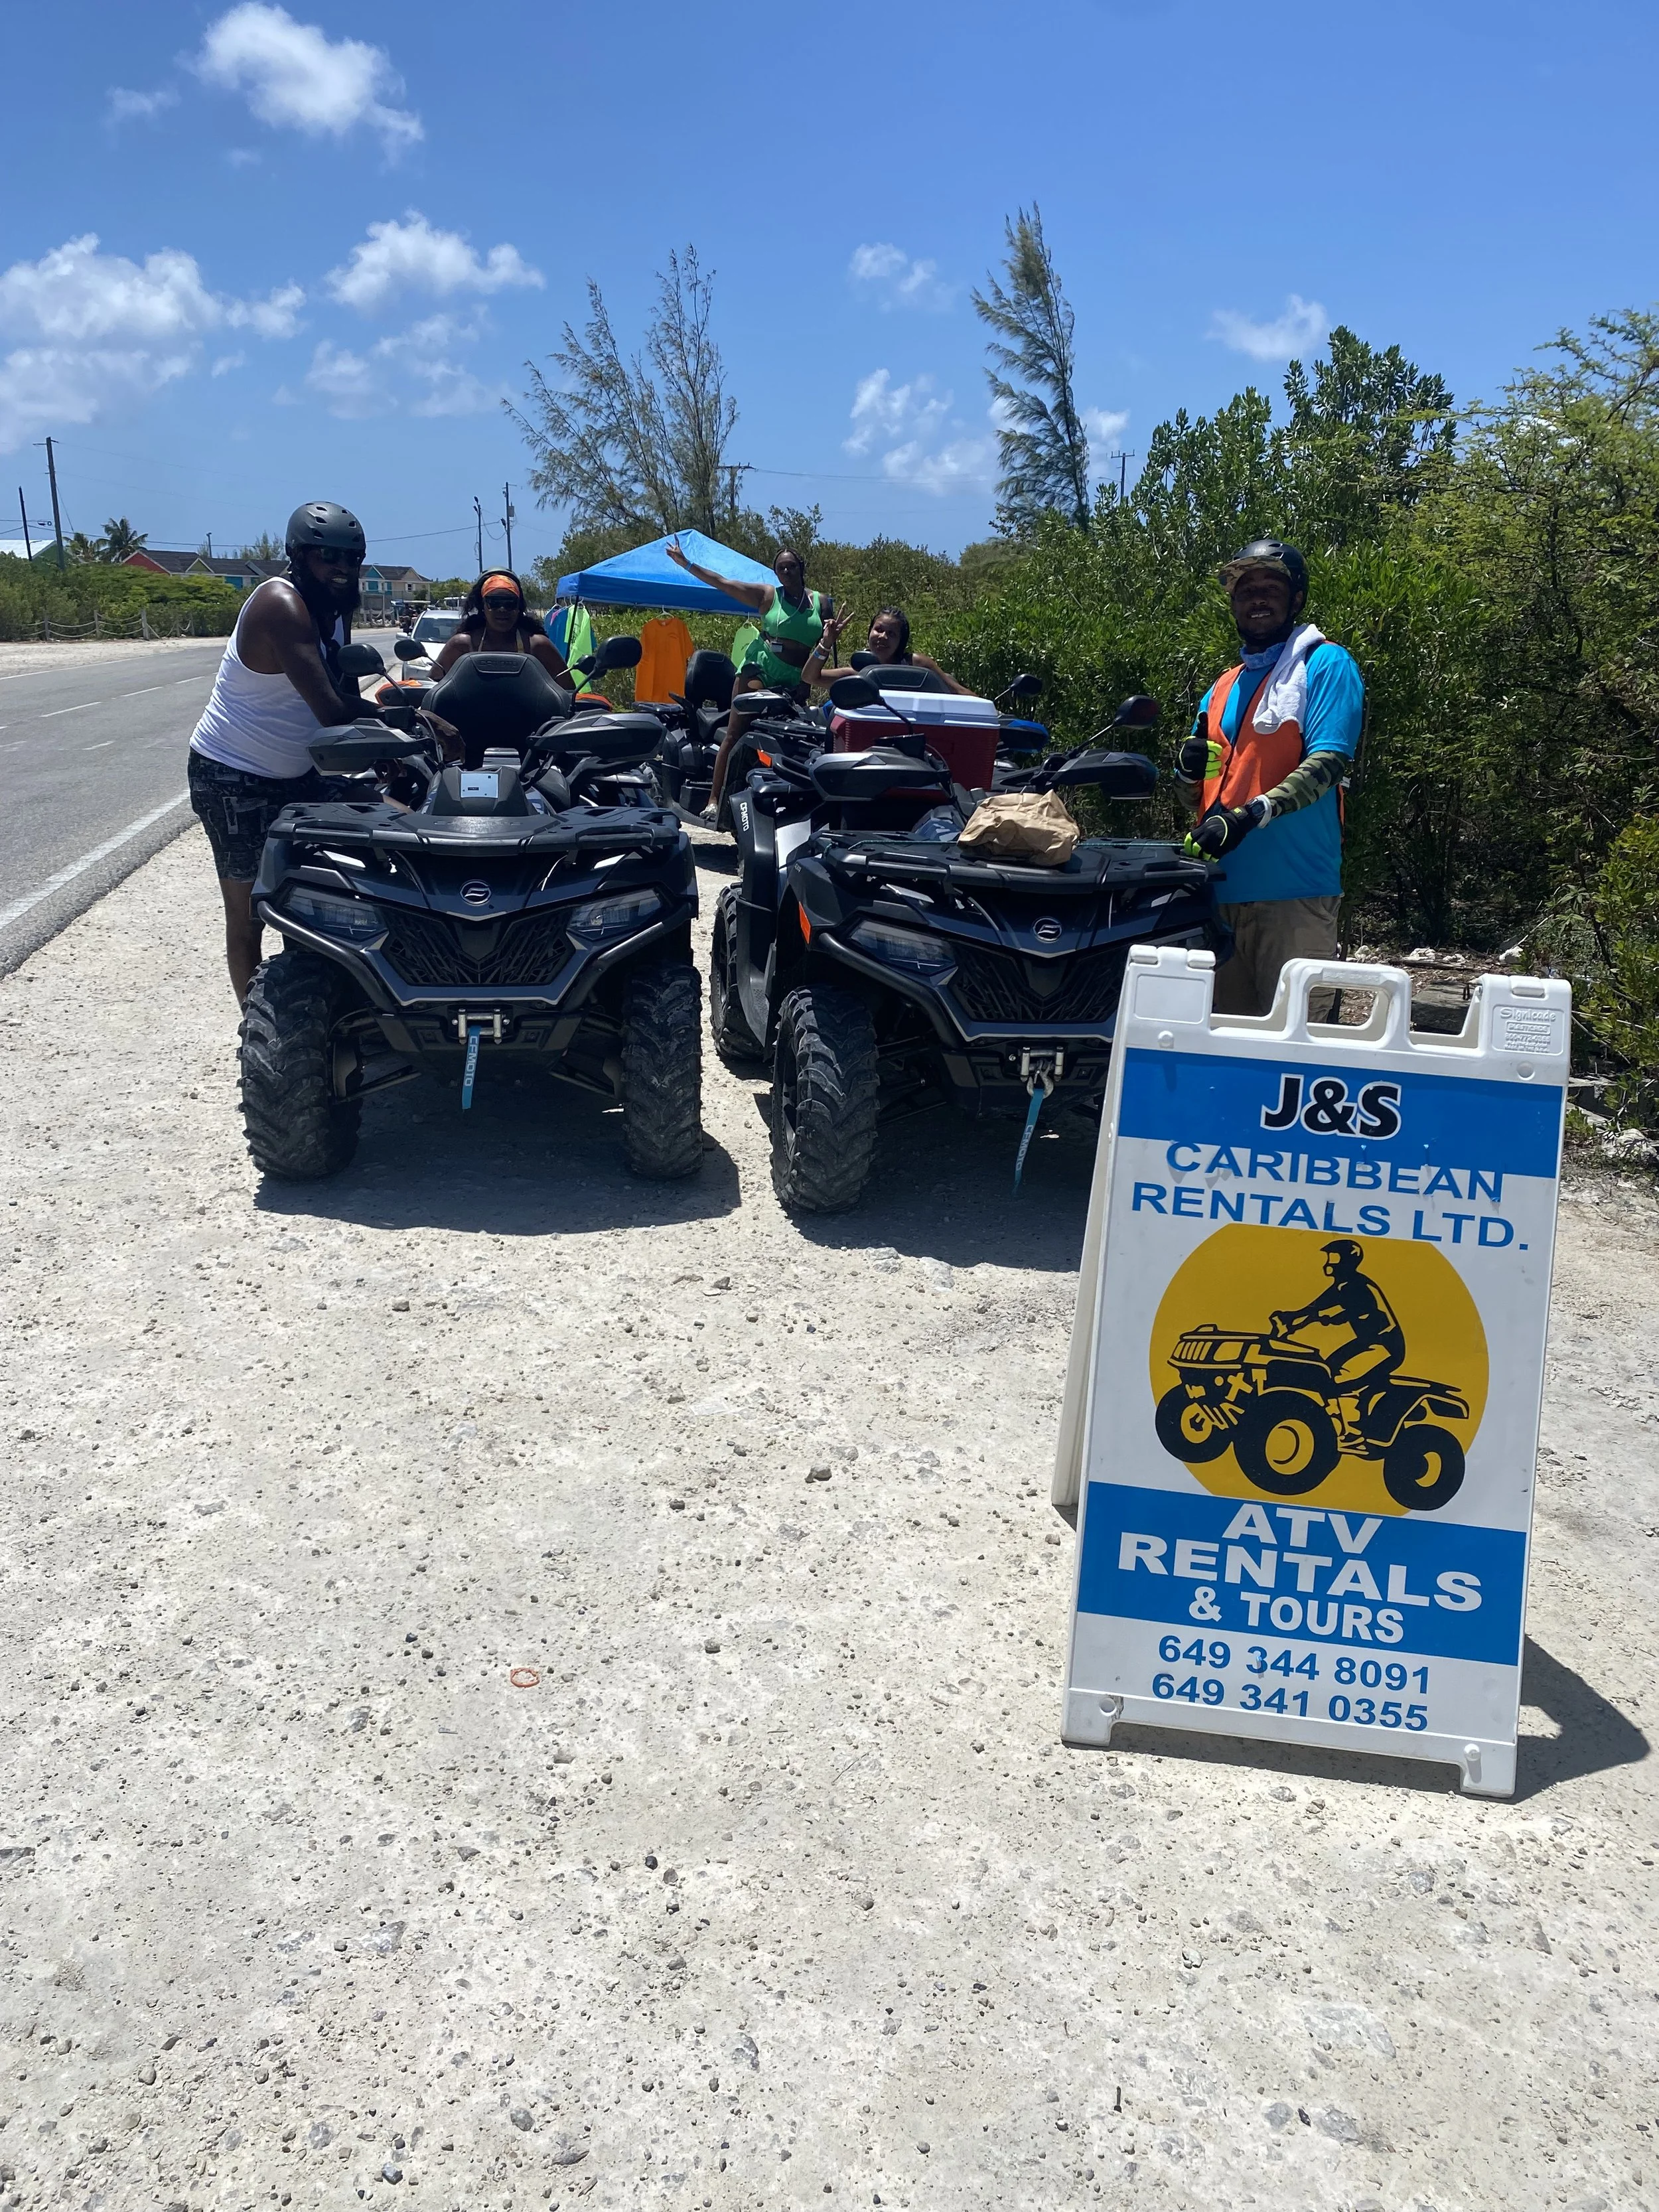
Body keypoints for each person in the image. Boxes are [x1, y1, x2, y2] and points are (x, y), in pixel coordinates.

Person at [188, 500, 386, 1005]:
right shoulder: (282, 604)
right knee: (251, 911)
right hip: (234, 775)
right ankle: (257, 1026)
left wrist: (403, 722)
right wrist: (413, 718)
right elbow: (332, 710)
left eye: (352, 559)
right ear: (298, 556)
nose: (342, 569)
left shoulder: (335, 613)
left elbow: (350, 696)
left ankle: (331, 995)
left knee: (377, 837)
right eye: (329, 557)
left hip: (299, 772)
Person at [1179, 540, 1364, 1017]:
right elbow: (1200, 795)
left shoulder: (1324, 665)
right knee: (1225, 1059)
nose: (1257, 598)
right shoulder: (1221, 687)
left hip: (1295, 898)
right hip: (1220, 899)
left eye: (1271, 587)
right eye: (1246, 590)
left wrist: (1249, 816)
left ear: (1297, 597)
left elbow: (1327, 765)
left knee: (1295, 1057)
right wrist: (1186, 771)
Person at [662, 538, 837, 816]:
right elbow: (722, 582)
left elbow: (825, 649)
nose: (786, 572)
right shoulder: (768, 595)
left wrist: (807, 682)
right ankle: (713, 800)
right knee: (736, 731)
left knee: (800, 736)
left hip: (798, 674)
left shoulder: (822, 602)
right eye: (781, 568)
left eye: (791, 567)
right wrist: (686, 564)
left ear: (802, 567)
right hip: (761, 666)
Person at [1270, 1238, 1405, 1451]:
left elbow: (1353, 1314)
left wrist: (1322, 1319)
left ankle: (1353, 1432)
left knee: (1340, 1376)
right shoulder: (1342, 1286)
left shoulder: (1359, 1286)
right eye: (1328, 1259)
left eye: (1334, 1259)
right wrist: (1292, 1318)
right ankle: (1336, 1420)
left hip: (1385, 1346)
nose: (1328, 1264)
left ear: (1349, 1262)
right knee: (1324, 1370)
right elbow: (1315, 1307)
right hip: (1366, 1343)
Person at [431, 571, 570, 685]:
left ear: (518, 607)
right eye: (494, 603)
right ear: (482, 607)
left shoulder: (538, 645)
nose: (502, 609)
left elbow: (569, 693)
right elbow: (431, 687)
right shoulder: (462, 645)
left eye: (510, 603)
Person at [805, 605, 972, 695]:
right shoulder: (857, 675)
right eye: (879, 630)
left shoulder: (916, 665)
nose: (883, 637)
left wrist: (991, 711)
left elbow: (956, 691)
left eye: (892, 634)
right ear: (870, 631)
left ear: (901, 641)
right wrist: (826, 643)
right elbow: (810, 677)